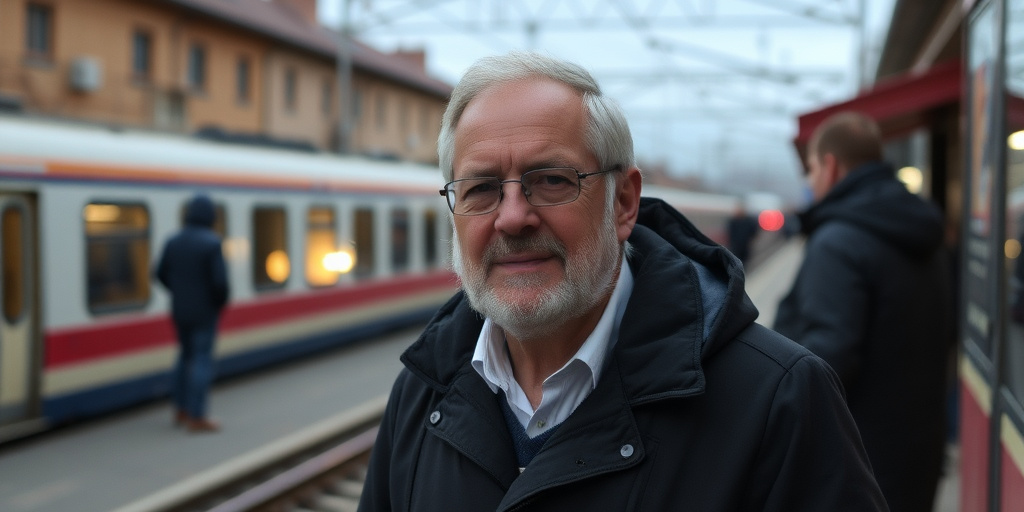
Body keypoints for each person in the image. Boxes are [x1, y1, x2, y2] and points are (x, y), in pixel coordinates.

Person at [358, 51, 887, 511]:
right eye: (481, 188)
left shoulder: (779, 399)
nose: (512, 217)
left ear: (624, 203)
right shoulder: (421, 393)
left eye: (552, 181)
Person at [773, 111, 951, 512]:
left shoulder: (838, 242)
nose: (811, 179)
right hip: (917, 448)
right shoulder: (923, 232)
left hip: (856, 459)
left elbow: (826, 357)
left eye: (813, 167)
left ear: (831, 166)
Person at [156, 193, 230, 433]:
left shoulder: (173, 241)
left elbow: (159, 273)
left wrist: (178, 291)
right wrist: (218, 303)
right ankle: (198, 416)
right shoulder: (212, 243)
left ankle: (181, 409)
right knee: (201, 359)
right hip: (205, 311)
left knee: (183, 357)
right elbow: (220, 283)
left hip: (180, 309)